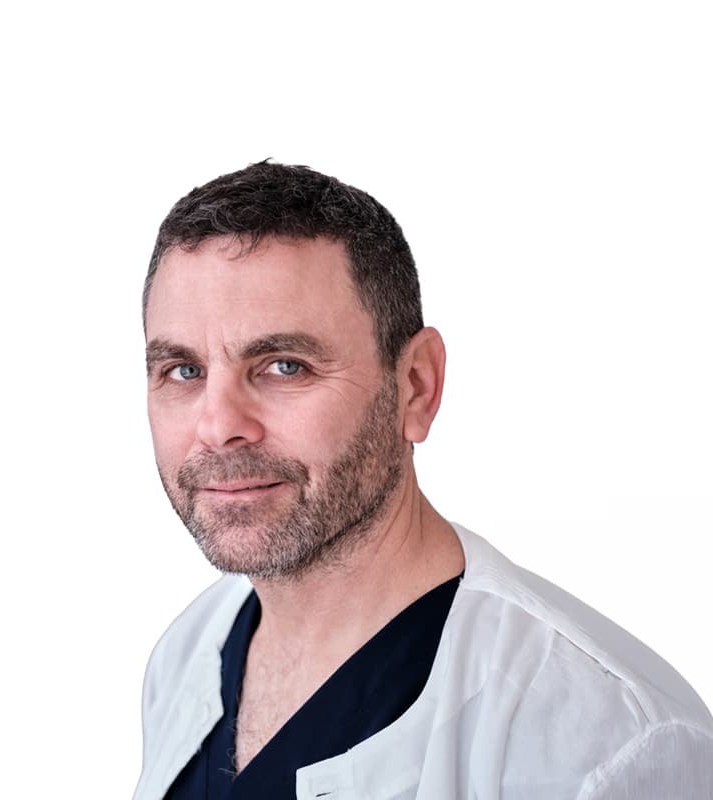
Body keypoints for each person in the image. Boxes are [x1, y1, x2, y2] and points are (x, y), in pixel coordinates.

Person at [133, 161, 713, 800]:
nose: (219, 427)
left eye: (284, 366)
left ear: (416, 386)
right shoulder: (190, 653)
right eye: (183, 371)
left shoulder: (607, 743)